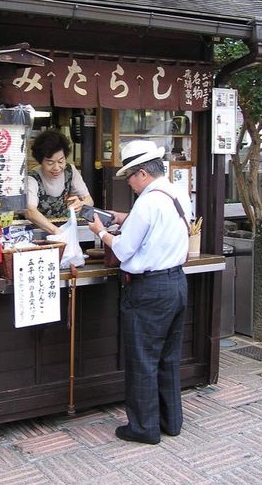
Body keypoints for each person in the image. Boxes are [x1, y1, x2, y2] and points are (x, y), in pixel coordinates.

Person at [88, 139, 192, 445]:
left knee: (143, 360)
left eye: (130, 176)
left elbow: (124, 247)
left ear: (143, 173)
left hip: (149, 290)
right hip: (176, 283)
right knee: (168, 357)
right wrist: (120, 217)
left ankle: (143, 428)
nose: (129, 182)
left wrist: (101, 232)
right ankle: (171, 421)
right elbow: (156, 229)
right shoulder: (175, 193)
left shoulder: (147, 202)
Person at [25, 129, 93, 234]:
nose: (57, 167)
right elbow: (30, 211)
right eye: (50, 162)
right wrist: (57, 232)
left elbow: (89, 200)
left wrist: (82, 204)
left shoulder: (70, 171)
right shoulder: (32, 178)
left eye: (61, 161)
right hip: (39, 231)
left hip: (65, 228)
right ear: (40, 161)